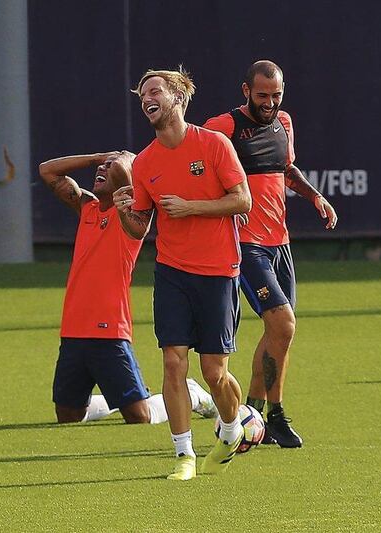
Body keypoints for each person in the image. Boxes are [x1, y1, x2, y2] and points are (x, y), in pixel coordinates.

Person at [110, 67, 252, 481]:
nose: (146, 100)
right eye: (141, 96)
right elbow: (141, 227)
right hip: (172, 272)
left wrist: (192, 208)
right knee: (173, 363)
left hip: (219, 270)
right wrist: (125, 213)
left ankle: (230, 429)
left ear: (178, 98)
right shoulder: (146, 161)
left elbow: (242, 200)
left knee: (214, 372)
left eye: (155, 92)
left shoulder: (214, 144)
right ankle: (183, 455)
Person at [203, 60, 338, 448]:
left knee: (279, 332)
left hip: (280, 243)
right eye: (262, 95)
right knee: (283, 325)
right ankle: (270, 415)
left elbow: (287, 168)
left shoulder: (285, 123)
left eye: (276, 95)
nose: (270, 102)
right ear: (245, 90)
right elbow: (200, 170)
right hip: (247, 246)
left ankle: (256, 414)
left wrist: (315, 196)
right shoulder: (222, 127)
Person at [38, 151, 217, 426]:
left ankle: (191, 394)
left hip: (110, 330)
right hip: (73, 329)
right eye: (101, 167)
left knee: (139, 416)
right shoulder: (87, 207)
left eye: (109, 168)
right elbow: (47, 170)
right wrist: (97, 158)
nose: (102, 169)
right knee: (69, 417)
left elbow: (125, 171)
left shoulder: (132, 214)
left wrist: (123, 161)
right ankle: (112, 399)